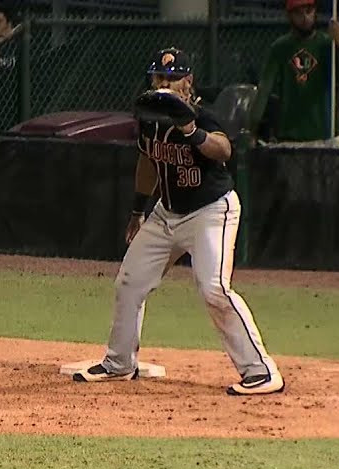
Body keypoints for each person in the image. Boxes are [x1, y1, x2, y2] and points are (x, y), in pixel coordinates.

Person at [74, 48, 284, 396]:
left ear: (188, 82)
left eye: (173, 78)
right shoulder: (148, 117)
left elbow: (223, 150)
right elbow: (147, 163)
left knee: (214, 288)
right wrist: (138, 211)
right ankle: (119, 363)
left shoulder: (202, 117)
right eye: (159, 77)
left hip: (211, 212)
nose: (165, 84)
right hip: (166, 213)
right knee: (129, 281)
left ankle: (261, 371)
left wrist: (191, 130)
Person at [249, 0, 339, 147]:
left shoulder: (327, 44)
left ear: (315, 12)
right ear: (289, 16)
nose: (305, 17)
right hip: (290, 136)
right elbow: (264, 89)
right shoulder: (280, 48)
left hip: (324, 133)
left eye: (309, 11)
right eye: (298, 13)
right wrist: (253, 128)